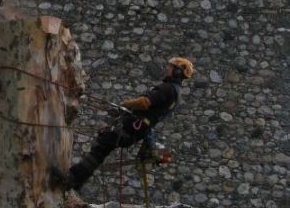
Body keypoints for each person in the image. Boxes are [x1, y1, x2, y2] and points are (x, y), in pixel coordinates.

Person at [51, 57, 195, 191]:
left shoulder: (167, 88)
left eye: (170, 67)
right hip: (138, 129)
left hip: (134, 126)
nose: (166, 69)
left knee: (101, 147)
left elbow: (145, 103)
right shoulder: (176, 92)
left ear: (177, 71)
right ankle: (76, 181)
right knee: (103, 147)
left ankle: (73, 178)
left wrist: (126, 104)